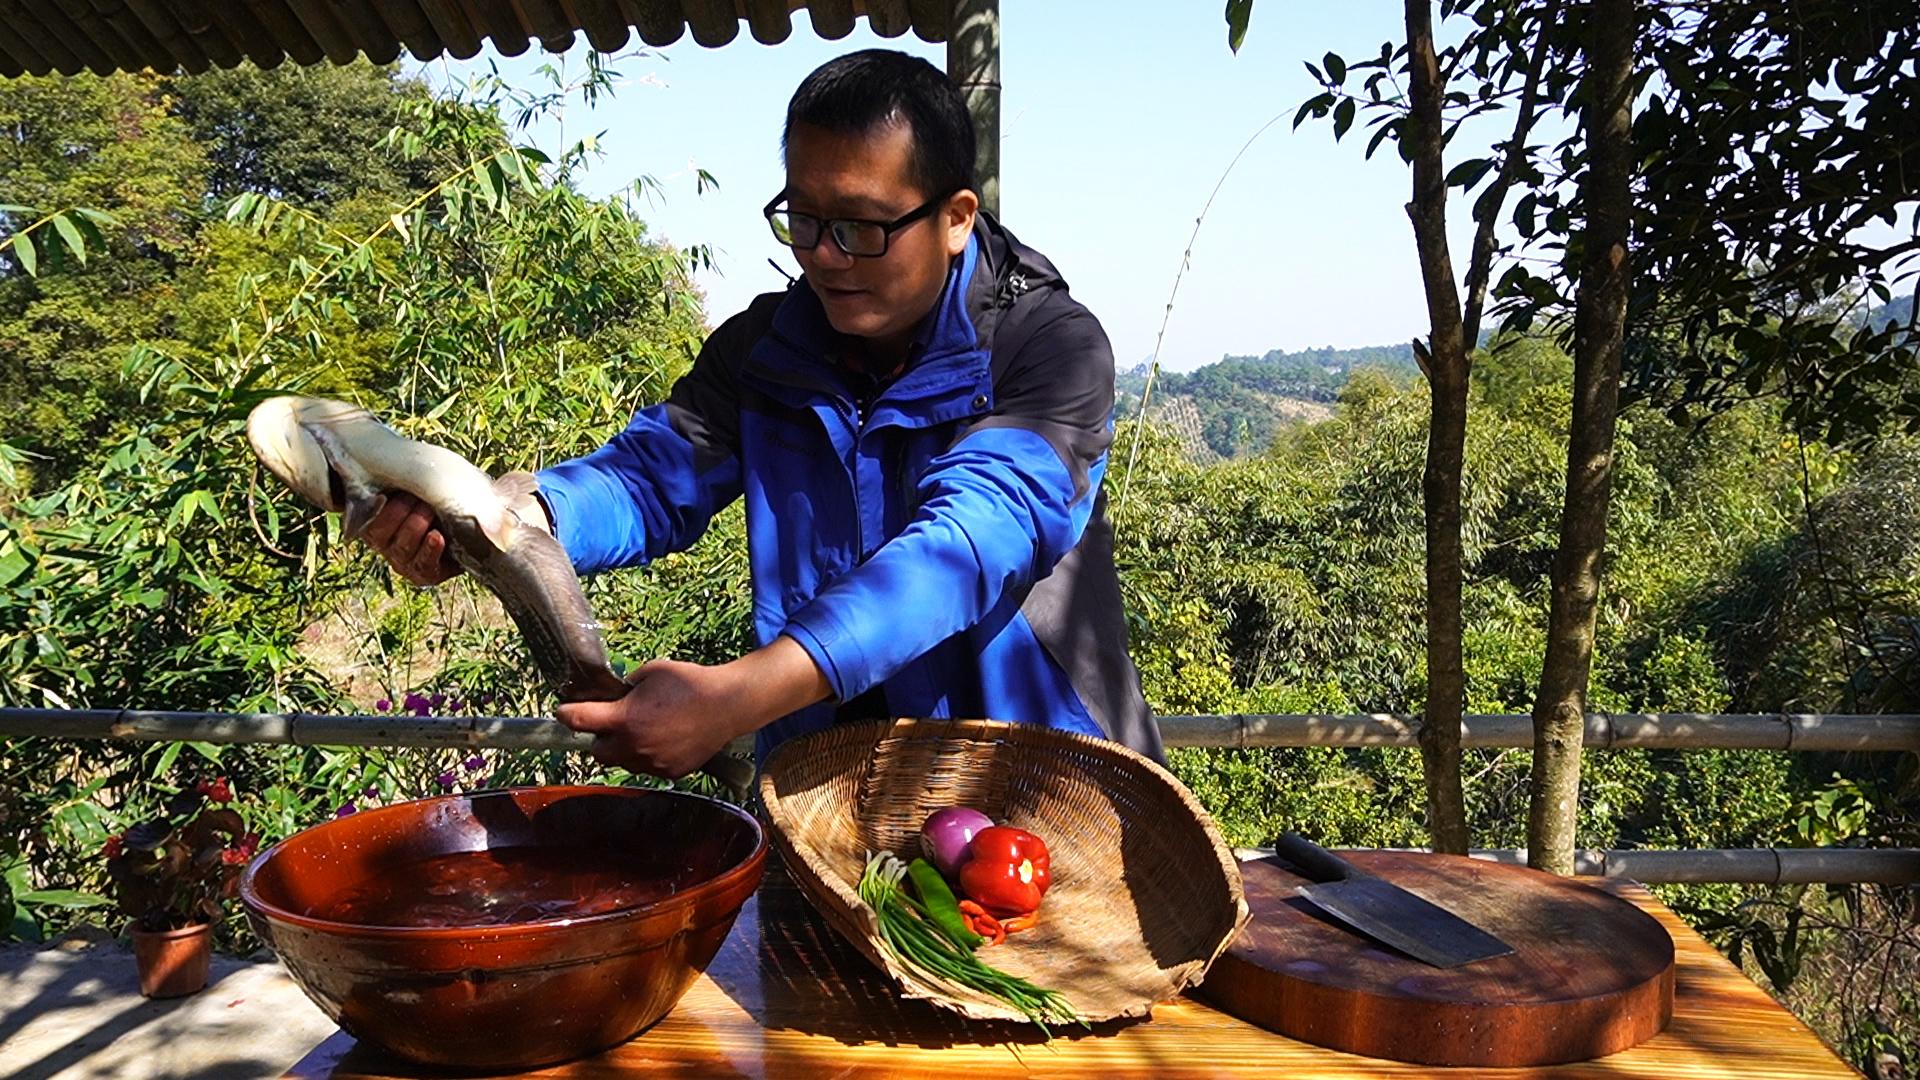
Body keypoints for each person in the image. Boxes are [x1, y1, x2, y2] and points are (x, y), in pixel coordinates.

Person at [359, 49, 1161, 777]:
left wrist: (739, 697)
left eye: (861, 226)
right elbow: (648, 479)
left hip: (1038, 789)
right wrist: (517, 518)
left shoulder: (1046, 349)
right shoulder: (765, 348)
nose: (822, 254)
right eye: (804, 219)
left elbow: (964, 548)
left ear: (953, 218)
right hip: (826, 792)